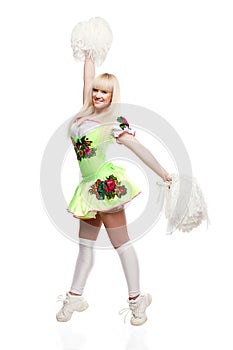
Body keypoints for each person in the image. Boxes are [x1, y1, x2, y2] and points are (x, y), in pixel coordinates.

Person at [56, 55, 172, 326]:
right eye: (96, 90)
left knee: (122, 244)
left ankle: (136, 300)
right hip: (86, 189)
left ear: (112, 96)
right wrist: (89, 53)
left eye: (104, 92)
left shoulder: (113, 121)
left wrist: (164, 173)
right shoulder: (84, 113)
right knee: (85, 246)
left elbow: (138, 147)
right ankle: (75, 296)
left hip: (105, 187)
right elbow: (87, 77)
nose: (97, 94)